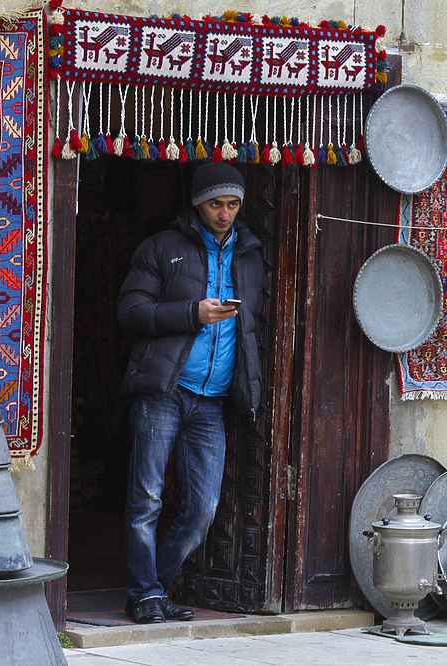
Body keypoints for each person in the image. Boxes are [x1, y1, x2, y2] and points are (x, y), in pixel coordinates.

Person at [117, 163, 265, 624]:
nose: (225, 213)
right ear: (198, 203)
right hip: (164, 389)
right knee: (147, 498)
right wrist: (191, 313)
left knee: (203, 507)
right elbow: (131, 311)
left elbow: (253, 326)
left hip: (213, 399)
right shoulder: (163, 248)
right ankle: (145, 594)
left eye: (233, 204)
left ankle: (154, 588)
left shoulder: (250, 253)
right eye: (216, 204)